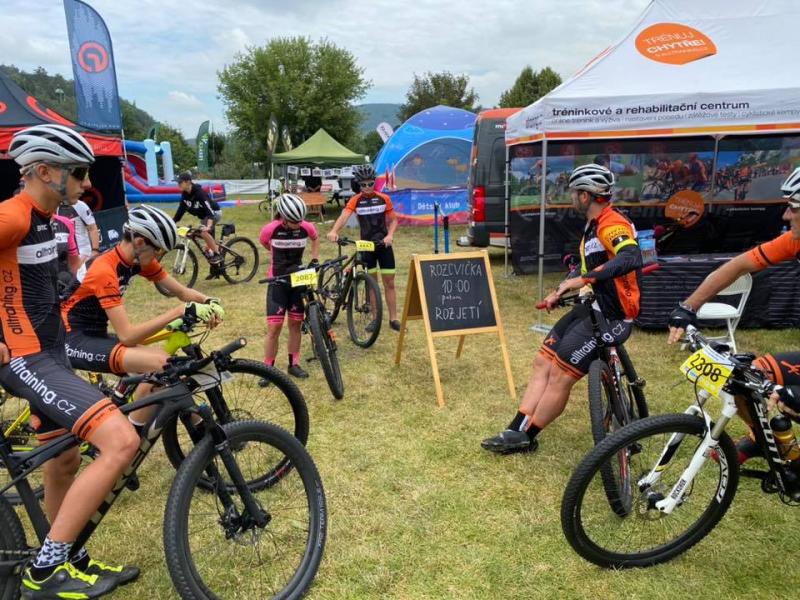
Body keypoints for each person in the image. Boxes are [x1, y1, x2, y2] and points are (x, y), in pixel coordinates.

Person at [3, 124, 141, 598]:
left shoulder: (50, 220)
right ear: (43, 171)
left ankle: (67, 557)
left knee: (63, 459)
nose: (86, 183)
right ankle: (42, 574)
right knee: (120, 441)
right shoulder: (15, 215)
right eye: (79, 173)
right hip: (26, 358)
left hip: (52, 352)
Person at [482, 164, 643, 454]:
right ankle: (516, 426)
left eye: (573, 192)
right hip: (591, 307)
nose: (571, 197)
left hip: (614, 314)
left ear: (586, 196)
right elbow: (585, 270)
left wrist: (583, 279)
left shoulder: (611, 223)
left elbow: (631, 257)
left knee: (560, 373)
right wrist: (560, 290)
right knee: (542, 361)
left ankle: (528, 436)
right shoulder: (592, 227)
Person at [667, 167, 800, 463]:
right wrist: (688, 307)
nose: (785, 217)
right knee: (744, 376)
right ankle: (763, 439)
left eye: (793, 208)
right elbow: (736, 266)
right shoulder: (794, 241)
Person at [60, 204, 223, 430]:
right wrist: (178, 311)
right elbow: (127, 335)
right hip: (71, 339)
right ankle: (130, 437)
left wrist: (210, 302)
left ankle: (133, 429)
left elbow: (181, 292)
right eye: (158, 251)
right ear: (139, 242)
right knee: (159, 364)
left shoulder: (136, 261)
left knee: (159, 369)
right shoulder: (104, 270)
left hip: (93, 334)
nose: (160, 257)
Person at [326, 164, 401, 331]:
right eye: (363, 185)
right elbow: (344, 216)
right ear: (358, 185)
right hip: (367, 246)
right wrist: (333, 231)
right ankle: (375, 319)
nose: (367, 188)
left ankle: (394, 319)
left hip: (384, 245)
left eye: (370, 184)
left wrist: (390, 235)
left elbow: (394, 220)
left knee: (390, 283)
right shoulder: (356, 200)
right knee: (372, 284)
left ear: (374, 182)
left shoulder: (384, 198)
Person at [259, 193, 320, 384]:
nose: (298, 224)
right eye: (293, 221)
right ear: (283, 217)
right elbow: (264, 243)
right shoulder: (270, 229)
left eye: (300, 220)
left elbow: (315, 238)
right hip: (277, 280)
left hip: (297, 279)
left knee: (295, 324)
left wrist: (315, 259)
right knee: (274, 327)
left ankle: (294, 363)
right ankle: (268, 369)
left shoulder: (306, 226)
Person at [174, 172, 222, 269]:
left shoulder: (199, 193)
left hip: (214, 214)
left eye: (180, 182)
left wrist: (208, 227)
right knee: (203, 242)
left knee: (203, 233)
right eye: (178, 182)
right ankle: (216, 266)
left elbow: (210, 212)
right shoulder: (185, 195)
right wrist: (171, 223)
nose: (178, 184)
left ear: (188, 182)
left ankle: (218, 255)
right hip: (205, 217)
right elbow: (180, 213)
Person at [56, 193, 100, 271]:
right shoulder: (54, 206)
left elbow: (93, 228)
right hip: (65, 257)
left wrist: (95, 250)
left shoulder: (80, 205)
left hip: (83, 253)